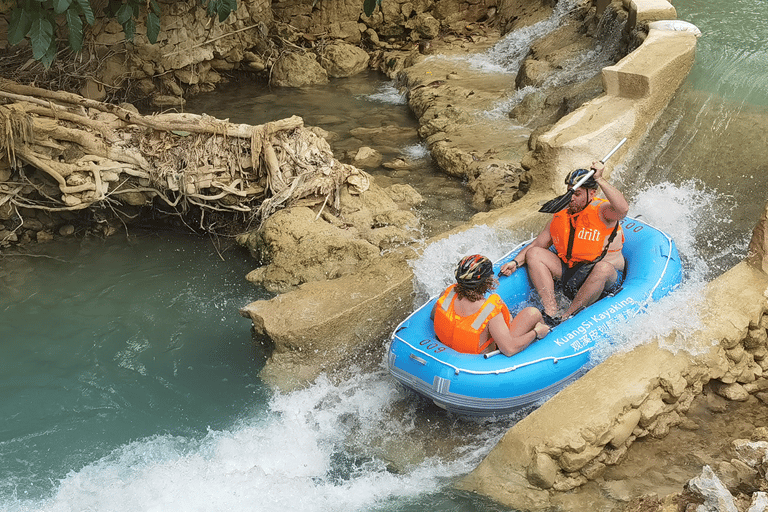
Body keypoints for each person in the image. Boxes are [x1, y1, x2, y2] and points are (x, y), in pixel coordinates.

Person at [499, 161, 628, 326]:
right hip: (572, 272)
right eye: (570, 192)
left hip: (605, 278)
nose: (571, 198)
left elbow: (622, 210)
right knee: (534, 254)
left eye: (578, 194)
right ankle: (551, 311)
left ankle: (567, 317)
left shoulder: (603, 211)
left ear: (592, 193)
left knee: (602, 268)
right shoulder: (561, 216)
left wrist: (600, 179)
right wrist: (515, 262)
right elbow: (536, 245)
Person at [432, 255, 550, 356]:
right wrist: (536, 333)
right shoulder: (489, 311)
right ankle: (549, 334)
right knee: (532, 313)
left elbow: (434, 316)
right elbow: (509, 349)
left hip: (452, 348)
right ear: (486, 282)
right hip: (483, 358)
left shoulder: (448, 294)